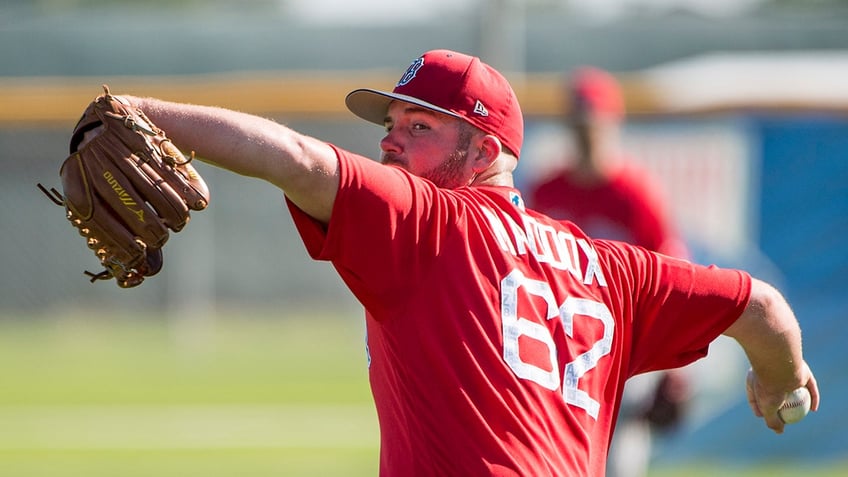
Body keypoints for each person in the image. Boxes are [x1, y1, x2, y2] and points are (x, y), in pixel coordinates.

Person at [119, 49, 819, 476]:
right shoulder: (612, 269)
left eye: (418, 127)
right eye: (390, 128)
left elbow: (295, 159)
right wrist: (779, 380)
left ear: (484, 152)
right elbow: (762, 307)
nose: (392, 145)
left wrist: (135, 112)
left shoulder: (433, 223)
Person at [525, 66, 690, 477]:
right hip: (557, 351)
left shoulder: (635, 196)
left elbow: (673, 281)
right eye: (577, 125)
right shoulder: (547, 191)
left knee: (616, 466)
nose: (585, 135)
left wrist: (674, 370)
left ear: (612, 123)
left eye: (592, 124)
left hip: (621, 353)